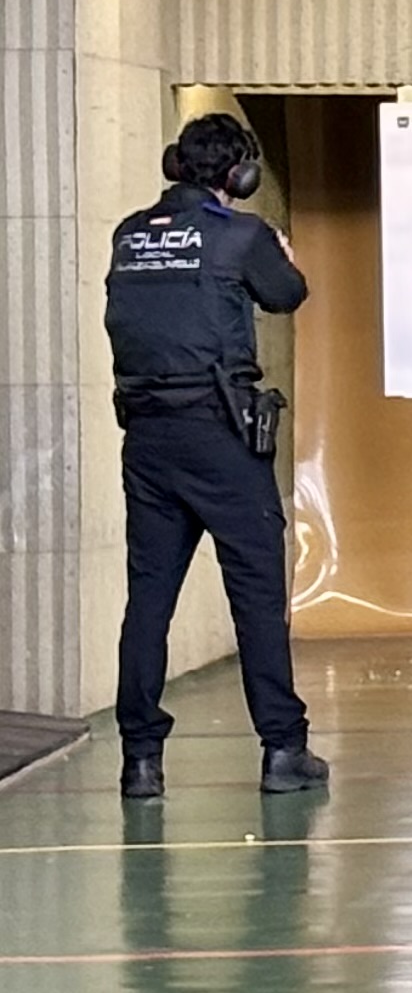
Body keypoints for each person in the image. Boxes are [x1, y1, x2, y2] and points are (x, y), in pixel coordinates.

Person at [104, 113, 315, 801]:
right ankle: (282, 749)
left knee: (148, 600)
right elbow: (286, 294)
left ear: (176, 164)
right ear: (240, 176)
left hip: (147, 440)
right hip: (221, 436)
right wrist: (283, 252)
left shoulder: (129, 235)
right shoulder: (240, 236)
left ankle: (140, 761)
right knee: (256, 595)